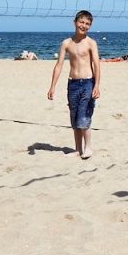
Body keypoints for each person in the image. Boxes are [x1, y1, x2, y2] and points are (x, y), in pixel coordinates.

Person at [47, 10, 101, 159]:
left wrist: (96, 85)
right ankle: (78, 150)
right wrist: (52, 86)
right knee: (74, 117)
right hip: (73, 84)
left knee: (84, 116)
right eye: (81, 22)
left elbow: (96, 64)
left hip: (88, 83)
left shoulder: (91, 43)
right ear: (75, 22)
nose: (84, 26)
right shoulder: (66, 43)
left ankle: (88, 147)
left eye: (87, 24)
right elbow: (59, 65)